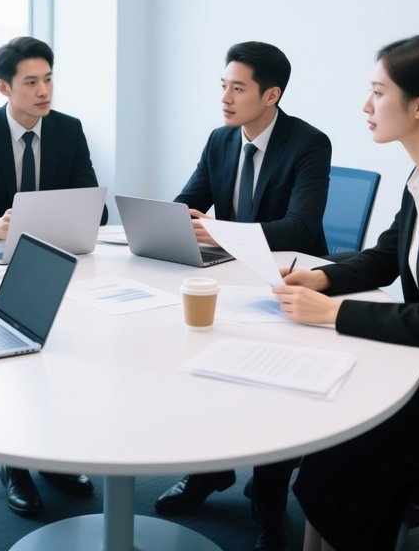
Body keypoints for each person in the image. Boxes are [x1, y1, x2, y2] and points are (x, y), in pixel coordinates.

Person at [273, 35, 419, 551]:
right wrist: (323, 278)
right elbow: (385, 254)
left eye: (378, 93)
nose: (365, 106)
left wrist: (332, 312)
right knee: (334, 437)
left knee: (345, 454)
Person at [154, 41, 332, 551]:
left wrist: (221, 230)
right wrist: (178, 219)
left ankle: (270, 506)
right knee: (194, 362)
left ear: (271, 95)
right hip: (229, 277)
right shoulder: (220, 139)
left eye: (238, 88)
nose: (226, 98)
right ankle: (210, 471)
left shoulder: (308, 144)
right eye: (223, 86)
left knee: (270, 387)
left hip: (287, 281)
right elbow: (190, 201)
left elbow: (300, 226)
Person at [0, 35, 104, 516]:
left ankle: (54, 458)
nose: (43, 91)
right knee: (17, 358)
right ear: (4, 87)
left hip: (56, 257)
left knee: (66, 352)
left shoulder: (69, 130)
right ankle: (14, 464)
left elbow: (95, 208)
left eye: (48, 79)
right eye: (31, 82)